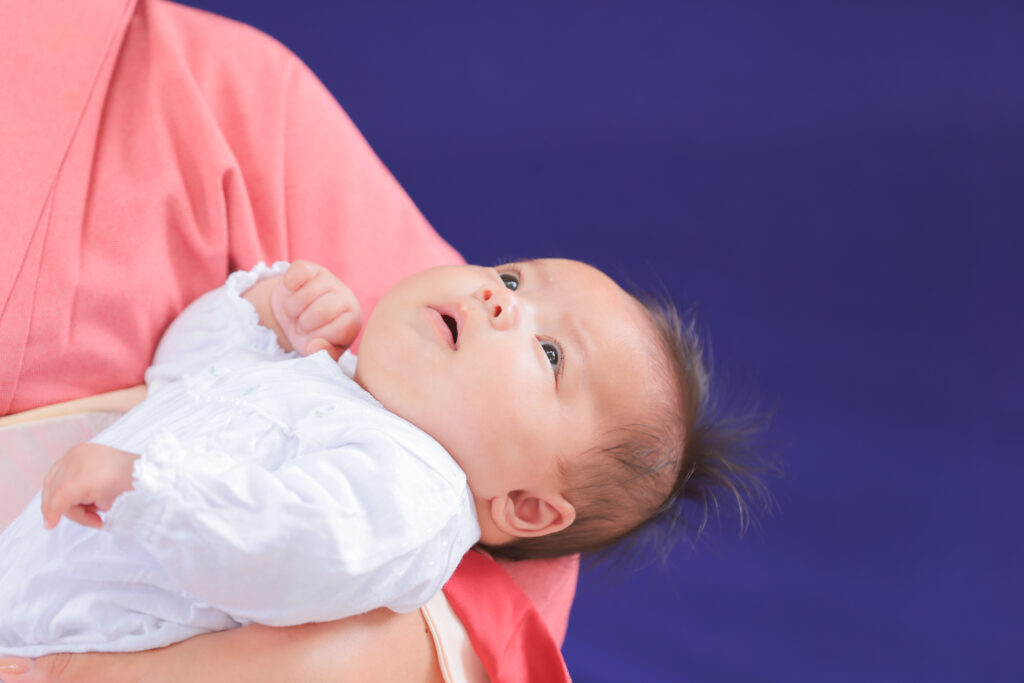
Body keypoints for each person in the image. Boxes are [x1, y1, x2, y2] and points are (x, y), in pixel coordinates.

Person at [1, 250, 712, 657]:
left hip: (81, 633)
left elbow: (287, 543)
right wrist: (261, 310)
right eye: (516, 278)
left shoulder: (415, 495)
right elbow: (178, 378)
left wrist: (145, 489)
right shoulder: (323, 376)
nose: (499, 298)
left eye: (551, 352)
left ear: (524, 504)